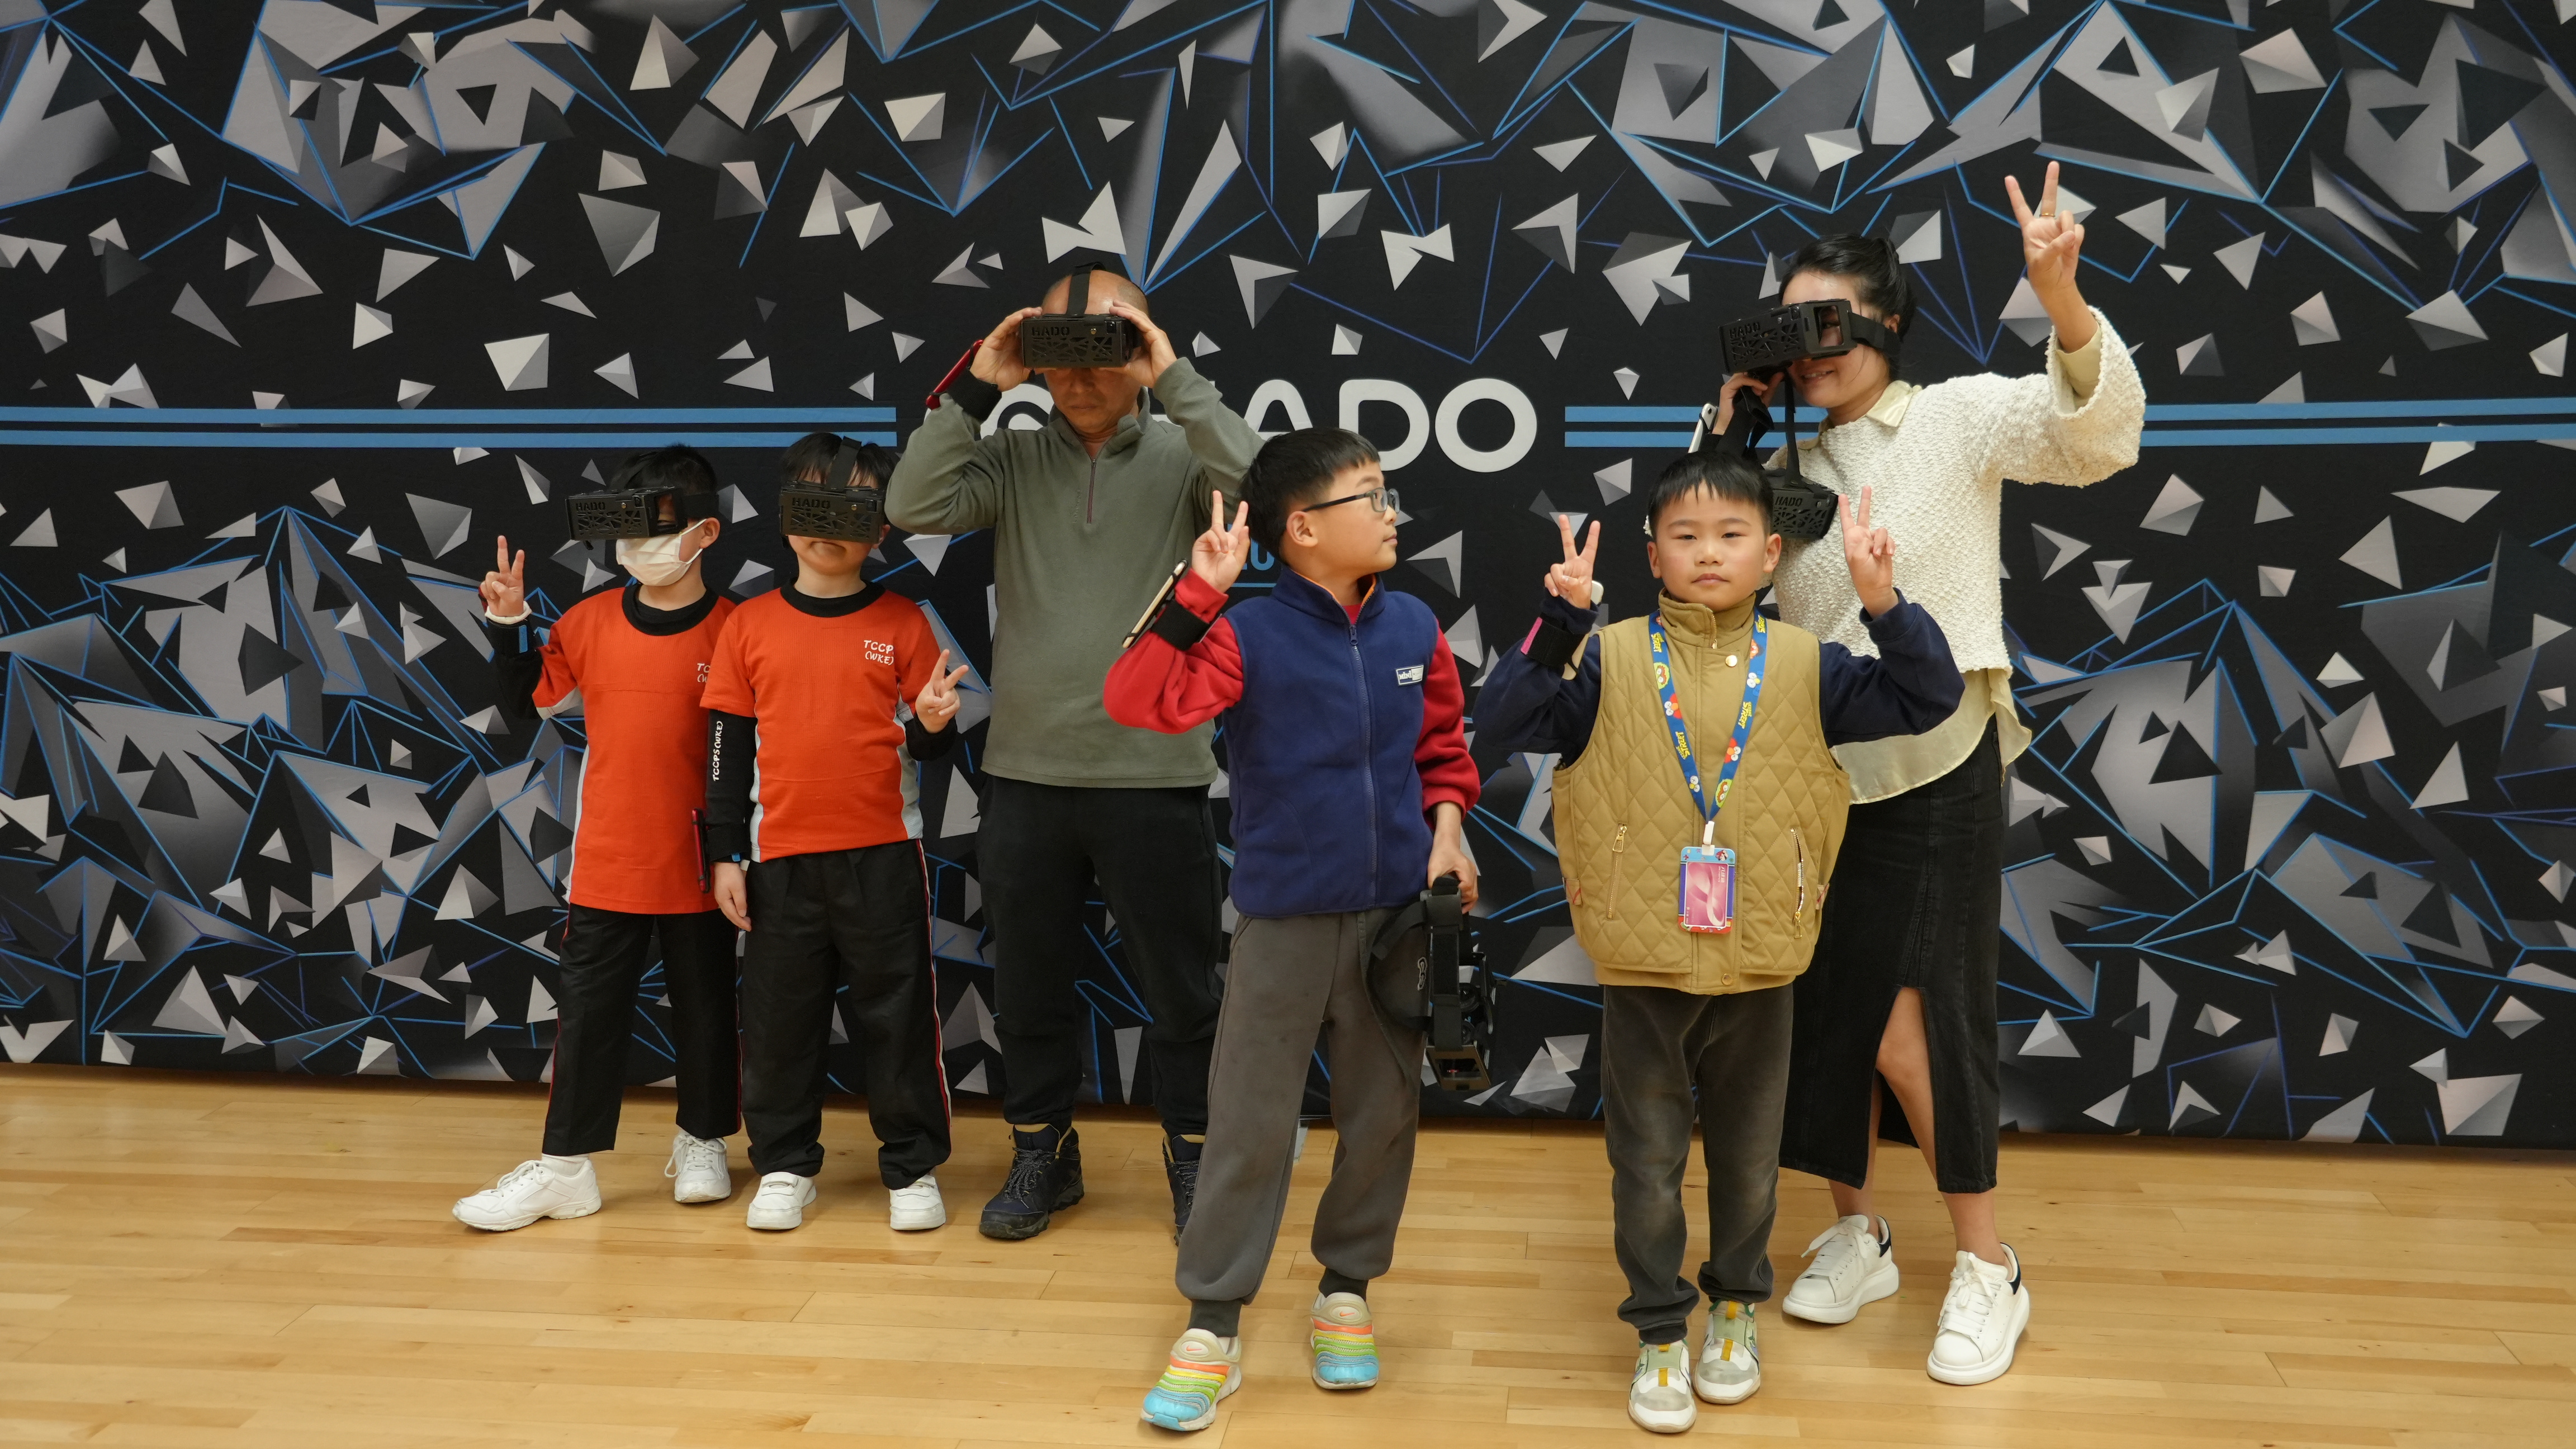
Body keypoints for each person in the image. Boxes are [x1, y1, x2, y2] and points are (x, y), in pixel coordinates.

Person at [1712, 164, 2145, 1385]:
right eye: (1791, 327)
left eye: (1832, 322)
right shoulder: (1778, 457)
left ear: (1889, 324)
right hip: (1811, 765)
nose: (1812, 348)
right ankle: (1859, 1234)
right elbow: (1701, 568)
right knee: (1828, 1016)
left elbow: (2095, 439)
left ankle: (1988, 1265)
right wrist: (1735, 429)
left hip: (1939, 752)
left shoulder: (1956, 416)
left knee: (1922, 1024)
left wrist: (2061, 298)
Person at [1480, 457, 1961, 1432]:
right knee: (1646, 1164)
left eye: (1732, 535)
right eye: (1686, 537)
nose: (1709, 554)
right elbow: (1503, 719)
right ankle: (1661, 1330)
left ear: (1771, 554)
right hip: (1642, 960)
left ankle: (1736, 1312)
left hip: (1761, 957)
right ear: (1653, 554)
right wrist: (1561, 619)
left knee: (1747, 1162)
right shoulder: (1610, 658)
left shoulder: (1810, 665)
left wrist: (1884, 603)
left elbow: (1931, 697)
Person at [1102, 428, 1478, 1433]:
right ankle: (1213, 1324)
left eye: (1389, 493)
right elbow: (1135, 701)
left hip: (1397, 922)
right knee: (1249, 1124)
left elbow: (1443, 748)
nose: (1392, 511)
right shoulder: (1245, 632)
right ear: (1302, 529)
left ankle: (1345, 1291)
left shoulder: (1414, 626)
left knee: (1382, 1116)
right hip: (1282, 923)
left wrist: (1448, 831)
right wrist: (1198, 594)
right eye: (1372, 496)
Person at [886, 264, 1262, 1240]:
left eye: (1106, 348)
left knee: (1184, 994)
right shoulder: (1011, 460)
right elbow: (913, 503)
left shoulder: (1185, 456)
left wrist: (1171, 374)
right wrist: (982, 382)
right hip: (1027, 774)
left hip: (1156, 773)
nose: (1082, 374)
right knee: (1028, 991)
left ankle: (1196, 1160)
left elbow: (1266, 491)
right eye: (1061, 350)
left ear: (1139, 351)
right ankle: (1041, 1155)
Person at [452, 445, 742, 1232]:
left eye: (660, 528)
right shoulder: (585, 622)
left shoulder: (738, 630)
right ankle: (564, 1169)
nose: (641, 547)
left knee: (707, 1006)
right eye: (628, 529)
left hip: (705, 861)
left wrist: (734, 853)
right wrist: (509, 623)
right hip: (610, 856)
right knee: (587, 1010)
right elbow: (529, 701)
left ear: (706, 532)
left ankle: (704, 1140)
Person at [699, 436, 972, 1233]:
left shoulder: (903, 622)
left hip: (883, 854)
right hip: (779, 859)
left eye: (853, 508)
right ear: (788, 516)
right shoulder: (747, 625)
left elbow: (930, 742)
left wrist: (932, 725)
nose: (830, 525)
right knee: (779, 1022)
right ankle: (785, 1166)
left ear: (880, 529)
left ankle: (912, 1167)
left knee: (898, 1015)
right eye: (815, 503)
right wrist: (724, 853)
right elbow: (725, 751)